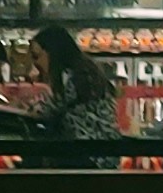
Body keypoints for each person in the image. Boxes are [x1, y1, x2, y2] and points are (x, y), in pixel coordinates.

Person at [25, 19, 120, 168]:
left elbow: (50, 109)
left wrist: (30, 106)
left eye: (37, 56)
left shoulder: (69, 76)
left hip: (87, 154)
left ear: (52, 53)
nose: (35, 63)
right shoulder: (85, 70)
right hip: (106, 154)